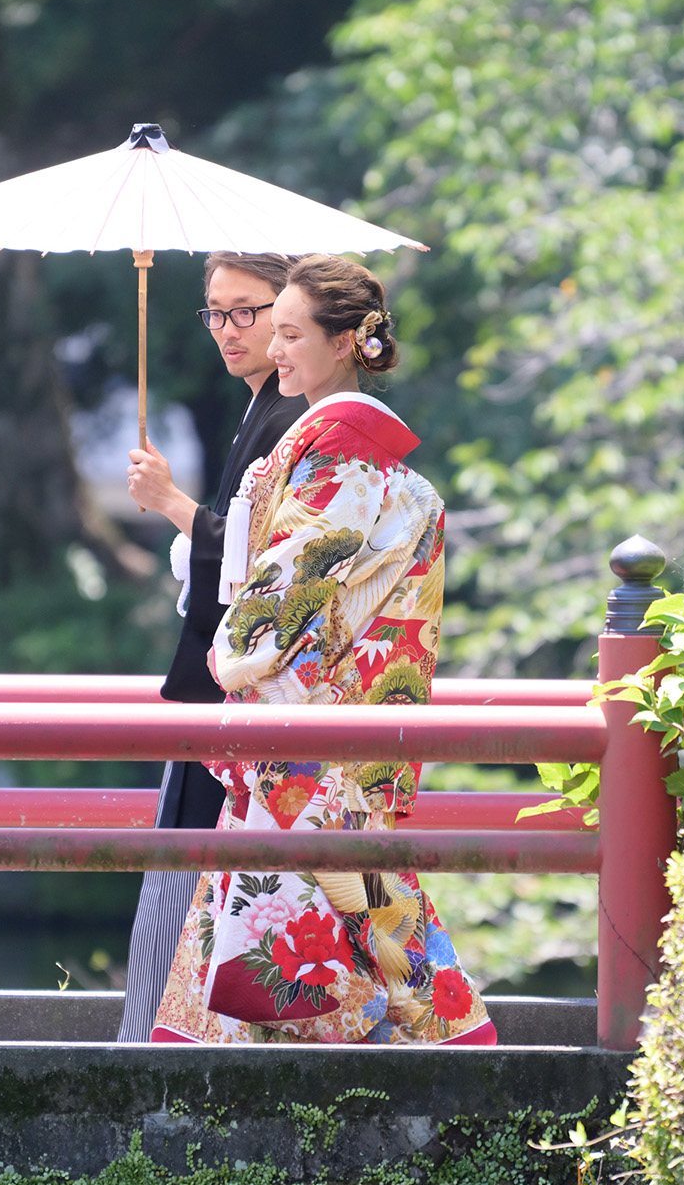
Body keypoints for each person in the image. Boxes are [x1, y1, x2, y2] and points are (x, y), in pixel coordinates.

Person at [149, 255, 494, 1045]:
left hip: (310, 734)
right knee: (349, 908)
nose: (275, 349)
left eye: (292, 332)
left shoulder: (338, 458)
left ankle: (449, 1048)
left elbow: (269, 617)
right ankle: (439, 1052)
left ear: (345, 344)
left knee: (331, 909)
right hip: (355, 718)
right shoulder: (368, 460)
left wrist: (227, 654)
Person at [116, 252, 307, 1041]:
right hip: (220, 675)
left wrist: (172, 504)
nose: (229, 332)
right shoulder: (263, 408)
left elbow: (261, 560)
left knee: (200, 880)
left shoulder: (296, 419)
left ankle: (166, 1048)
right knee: (187, 882)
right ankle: (158, 1039)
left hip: (241, 689)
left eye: (248, 312)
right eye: (216, 314)